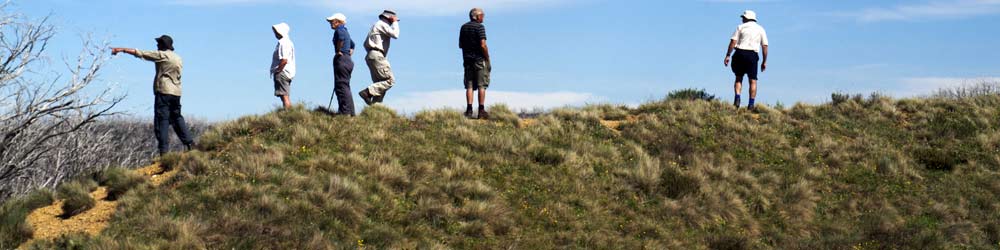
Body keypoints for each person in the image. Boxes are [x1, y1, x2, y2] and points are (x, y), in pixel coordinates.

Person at [111, 35, 195, 155]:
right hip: (176, 93)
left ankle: (164, 152)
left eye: (159, 44)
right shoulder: (178, 58)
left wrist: (122, 49)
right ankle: (190, 144)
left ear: (163, 45)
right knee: (177, 118)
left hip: (164, 92)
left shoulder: (162, 55)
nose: (157, 46)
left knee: (162, 121)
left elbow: (141, 53)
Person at [724, 10, 769, 111]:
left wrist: (728, 55)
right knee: (753, 80)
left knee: (738, 78)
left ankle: (737, 98)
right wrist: (764, 61)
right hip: (752, 55)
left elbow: (733, 41)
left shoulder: (740, 27)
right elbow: (765, 46)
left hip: (740, 53)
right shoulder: (760, 29)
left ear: (747, 18)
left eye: (743, 17)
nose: (742, 19)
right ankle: (751, 104)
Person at [358, 10, 400, 105]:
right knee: (389, 81)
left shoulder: (377, 25)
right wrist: (395, 22)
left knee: (380, 86)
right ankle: (367, 92)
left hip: (372, 55)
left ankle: (376, 109)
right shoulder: (382, 24)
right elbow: (395, 34)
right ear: (390, 18)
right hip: (377, 55)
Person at [459, 8, 492, 119]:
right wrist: (487, 57)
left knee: (469, 85)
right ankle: (481, 110)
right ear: (476, 16)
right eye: (482, 15)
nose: (483, 17)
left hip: (467, 60)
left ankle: (469, 110)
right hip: (479, 60)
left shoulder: (463, 27)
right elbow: (483, 44)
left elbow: (461, 45)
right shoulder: (480, 27)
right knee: (481, 85)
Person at [328, 13, 357, 116]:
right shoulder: (345, 30)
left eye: (332, 21)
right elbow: (353, 44)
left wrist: (338, 50)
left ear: (338, 22)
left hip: (342, 59)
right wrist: (350, 50)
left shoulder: (340, 29)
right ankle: (350, 113)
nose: (330, 23)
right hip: (347, 59)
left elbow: (340, 38)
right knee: (345, 86)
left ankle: (344, 113)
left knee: (341, 87)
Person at [271, 22, 297, 110]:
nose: (275, 34)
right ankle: (289, 112)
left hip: (283, 72)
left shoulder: (283, 43)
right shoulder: (288, 42)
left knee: (284, 96)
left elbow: (284, 60)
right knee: (284, 95)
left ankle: (288, 113)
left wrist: (278, 70)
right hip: (287, 72)